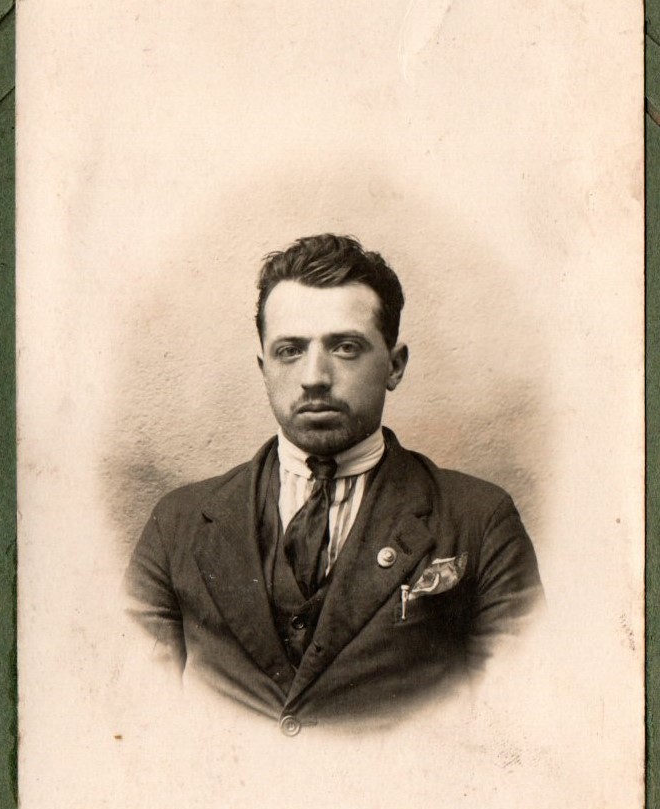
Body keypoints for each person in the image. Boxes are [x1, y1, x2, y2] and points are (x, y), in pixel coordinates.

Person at [125, 233, 542, 733]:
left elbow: (517, 720)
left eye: (345, 347)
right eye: (289, 351)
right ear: (263, 368)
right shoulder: (177, 524)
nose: (314, 377)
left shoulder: (479, 519)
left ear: (395, 365)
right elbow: (135, 720)